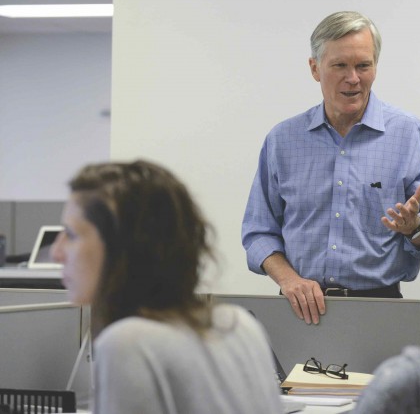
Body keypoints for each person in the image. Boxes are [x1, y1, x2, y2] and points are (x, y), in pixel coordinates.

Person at [242, 11, 420, 325]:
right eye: (340, 65)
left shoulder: (409, 134)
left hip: (379, 309)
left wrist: (415, 228)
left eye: (363, 65)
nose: (353, 78)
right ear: (315, 68)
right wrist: (289, 280)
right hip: (298, 308)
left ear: (375, 67)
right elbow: (259, 232)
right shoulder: (282, 140)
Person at [51, 160, 284, 414]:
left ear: (123, 246)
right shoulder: (239, 325)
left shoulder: (127, 343)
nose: (56, 252)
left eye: (72, 235)